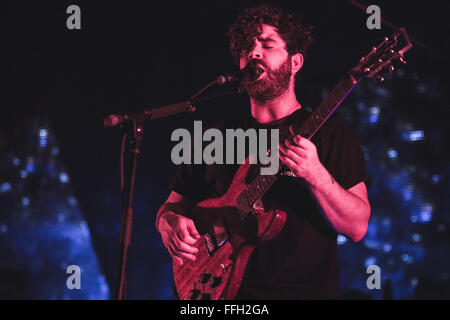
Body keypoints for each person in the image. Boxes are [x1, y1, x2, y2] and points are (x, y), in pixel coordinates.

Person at [155, 4, 371, 299]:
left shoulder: (330, 134)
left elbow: (357, 226)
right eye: (247, 48)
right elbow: (171, 207)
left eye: (267, 44)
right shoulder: (211, 137)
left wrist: (316, 175)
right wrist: (169, 224)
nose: (254, 53)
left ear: (295, 62)